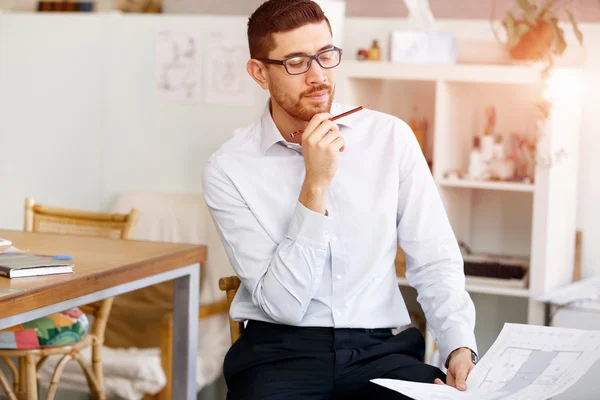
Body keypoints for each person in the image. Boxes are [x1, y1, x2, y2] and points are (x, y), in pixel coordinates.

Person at [202, 0, 478, 398]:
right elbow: (284, 306)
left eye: (326, 56)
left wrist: (458, 345)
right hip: (279, 354)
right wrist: (316, 182)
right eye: (296, 61)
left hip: (382, 350)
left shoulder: (391, 138)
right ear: (259, 72)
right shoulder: (228, 169)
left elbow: (434, 259)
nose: (318, 76)